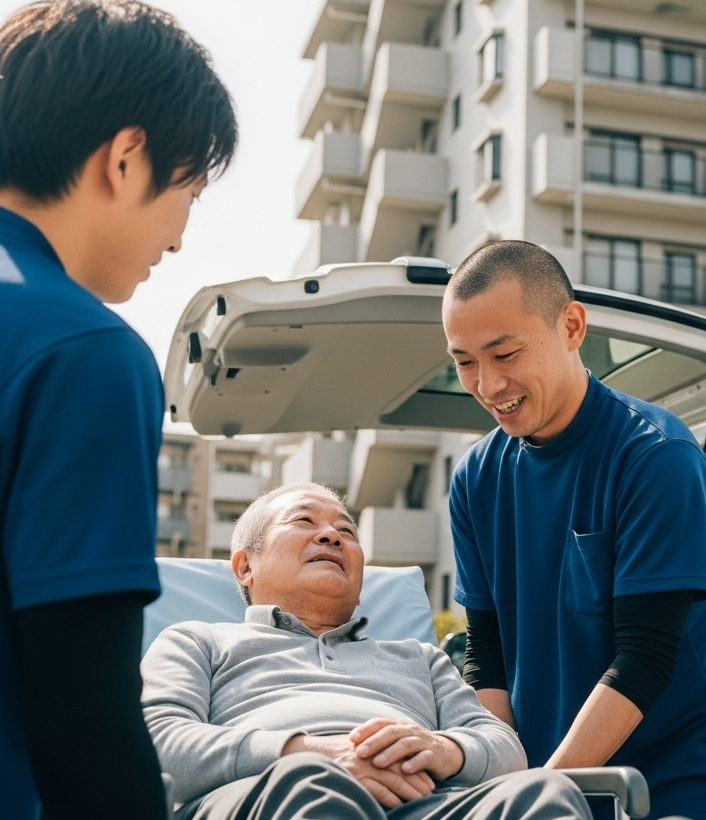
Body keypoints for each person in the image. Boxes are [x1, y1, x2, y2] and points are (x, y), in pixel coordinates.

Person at [0, 2, 237, 818]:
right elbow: (81, 712)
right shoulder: (82, 351)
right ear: (128, 159)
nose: (175, 242)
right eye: (189, 193)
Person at [442, 240, 706, 820]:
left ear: (572, 326)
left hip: (670, 792)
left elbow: (645, 658)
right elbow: (486, 655)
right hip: (545, 791)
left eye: (504, 354)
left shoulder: (655, 457)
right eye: (464, 362)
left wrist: (537, 797)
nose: (487, 385)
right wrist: (510, 786)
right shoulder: (475, 480)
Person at [142, 482, 592, 820]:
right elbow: (153, 742)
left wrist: (440, 749)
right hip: (264, 794)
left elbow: (503, 748)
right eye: (304, 521)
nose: (332, 536)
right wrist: (308, 752)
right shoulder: (197, 640)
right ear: (245, 566)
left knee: (544, 793)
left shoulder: (419, 658)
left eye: (346, 531)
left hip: (420, 803)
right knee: (313, 787)